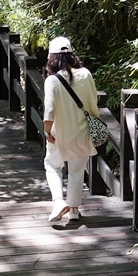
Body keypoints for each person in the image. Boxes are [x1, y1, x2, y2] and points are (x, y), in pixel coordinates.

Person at [42, 36, 100, 224]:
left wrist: (47, 132)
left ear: (52, 57)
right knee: (77, 170)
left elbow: (49, 111)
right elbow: (93, 102)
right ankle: (73, 209)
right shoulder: (86, 74)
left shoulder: (52, 80)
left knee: (52, 165)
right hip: (82, 132)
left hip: (61, 134)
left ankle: (59, 201)